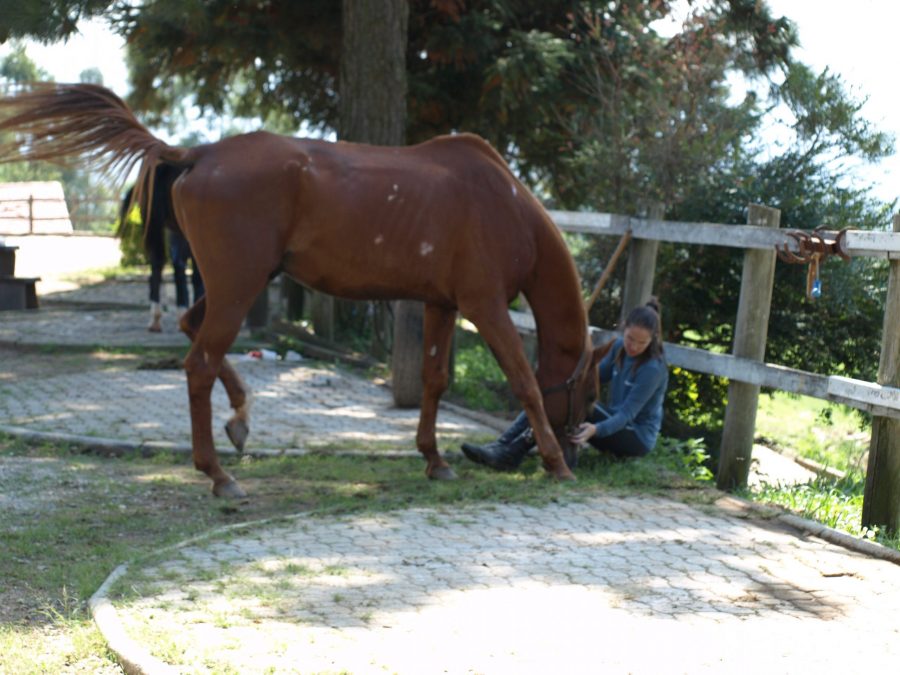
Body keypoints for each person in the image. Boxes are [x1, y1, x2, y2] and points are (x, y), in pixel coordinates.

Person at [461, 298, 668, 470]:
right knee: (556, 396)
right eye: (630, 338)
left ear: (653, 340)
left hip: (635, 435)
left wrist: (596, 430)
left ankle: (510, 454)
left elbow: (626, 415)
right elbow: (591, 377)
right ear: (624, 329)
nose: (633, 346)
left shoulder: (652, 369)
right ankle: (502, 444)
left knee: (575, 405)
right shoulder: (619, 349)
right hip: (612, 421)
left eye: (642, 343)